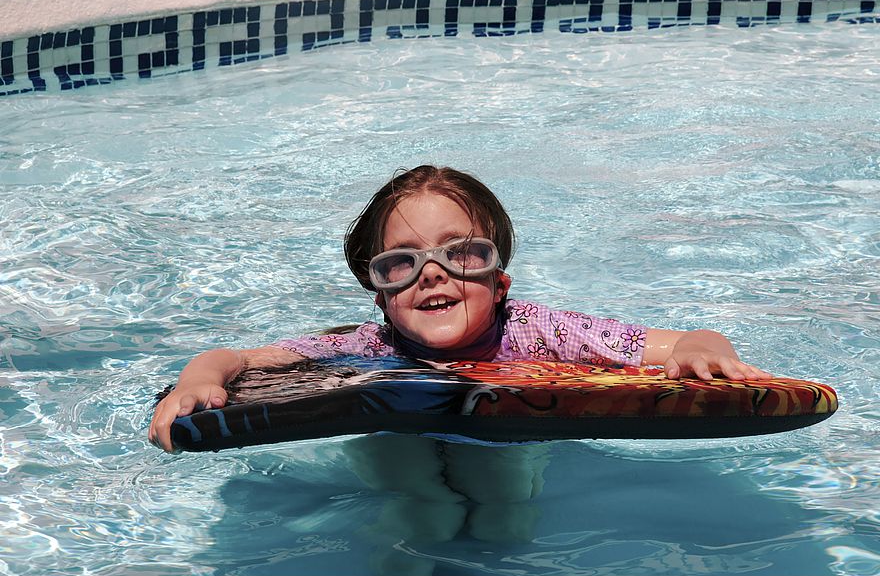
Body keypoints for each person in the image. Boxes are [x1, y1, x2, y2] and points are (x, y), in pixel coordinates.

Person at [149, 165, 772, 451]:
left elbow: (687, 338)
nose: (433, 275)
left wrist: (702, 355)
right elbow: (236, 358)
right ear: (381, 297)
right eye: (401, 263)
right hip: (402, 439)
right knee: (406, 492)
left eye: (463, 255)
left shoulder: (538, 331)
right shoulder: (371, 346)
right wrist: (199, 380)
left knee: (504, 504)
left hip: (509, 440)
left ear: (501, 283)